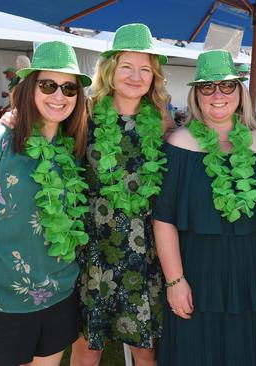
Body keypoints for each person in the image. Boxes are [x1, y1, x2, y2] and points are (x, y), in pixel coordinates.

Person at [0, 40, 91, 366]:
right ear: (30, 88)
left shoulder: (74, 148)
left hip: (58, 296)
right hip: (0, 301)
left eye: (69, 88)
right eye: (48, 85)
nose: (59, 96)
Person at [153, 49, 256, 365]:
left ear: (240, 92)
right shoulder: (179, 145)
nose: (218, 94)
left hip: (252, 273)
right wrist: (175, 282)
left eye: (227, 86)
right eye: (207, 87)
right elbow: (164, 219)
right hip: (197, 273)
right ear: (196, 96)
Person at [71, 23, 172, 366]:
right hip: (94, 247)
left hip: (143, 252)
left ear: (154, 77)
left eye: (145, 69)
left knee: (146, 348)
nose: (135, 76)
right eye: (127, 66)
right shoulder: (83, 115)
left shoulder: (161, 122)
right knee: (88, 346)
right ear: (110, 71)